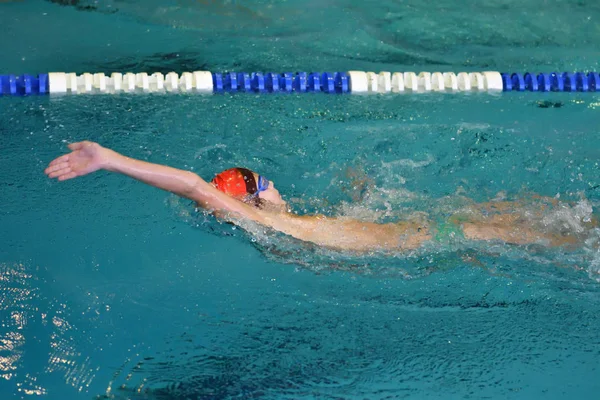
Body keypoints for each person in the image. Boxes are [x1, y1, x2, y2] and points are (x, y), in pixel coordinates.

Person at [44, 141, 589, 252]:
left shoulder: (286, 228)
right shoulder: (266, 223)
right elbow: (191, 184)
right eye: (263, 183)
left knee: (532, 219)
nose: (274, 184)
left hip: (420, 232)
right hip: (428, 237)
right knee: (549, 233)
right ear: (252, 200)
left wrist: (363, 192)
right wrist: (111, 160)